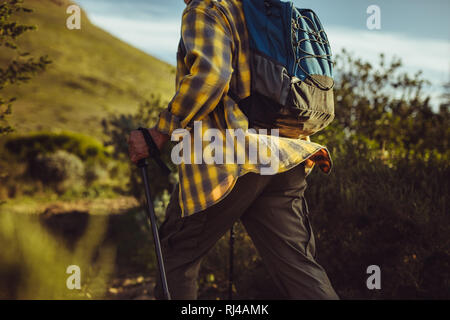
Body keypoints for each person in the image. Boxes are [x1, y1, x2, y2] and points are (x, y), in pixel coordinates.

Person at [128, 0, 339, 300]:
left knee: (176, 255)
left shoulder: (206, 8)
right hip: (284, 155)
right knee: (298, 266)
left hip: (228, 158)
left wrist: (160, 132)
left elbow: (211, 76)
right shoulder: (257, 9)